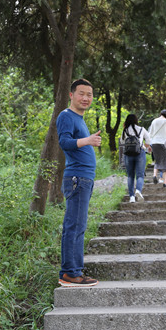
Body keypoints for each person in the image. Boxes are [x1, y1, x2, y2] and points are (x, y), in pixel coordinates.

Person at [56, 78, 100, 287]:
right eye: (81, 93)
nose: (86, 98)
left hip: (84, 179)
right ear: (71, 95)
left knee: (79, 225)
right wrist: (88, 141)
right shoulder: (66, 116)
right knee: (74, 225)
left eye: (89, 94)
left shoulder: (79, 119)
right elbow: (64, 142)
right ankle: (70, 273)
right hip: (76, 178)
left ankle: (74, 271)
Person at [121, 114, 151, 203]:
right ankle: (138, 190)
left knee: (130, 175)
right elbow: (149, 141)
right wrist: (144, 147)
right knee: (140, 175)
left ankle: (131, 197)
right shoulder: (141, 129)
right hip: (140, 153)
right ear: (136, 120)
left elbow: (123, 142)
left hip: (128, 154)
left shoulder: (125, 130)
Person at [148, 109, 166, 187]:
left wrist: (149, 144)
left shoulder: (154, 121)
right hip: (164, 143)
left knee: (157, 161)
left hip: (155, 143)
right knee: (165, 162)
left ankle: (154, 175)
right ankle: (164, 182)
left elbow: (150, 133)